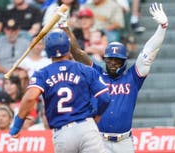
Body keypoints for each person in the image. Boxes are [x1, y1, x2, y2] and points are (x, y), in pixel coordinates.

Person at [64, 2, 168, 153]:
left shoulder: (133, 77)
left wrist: (162, 27)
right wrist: (65, 28)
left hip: (124, 142)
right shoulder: (97, 74)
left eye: (117, 60)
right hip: (98, 141)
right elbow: (78, 53)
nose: (113, 63)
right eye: (110, 59)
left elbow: (149, 52)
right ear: (105, 59)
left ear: (124, 61)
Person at [9, 29, 110, 153]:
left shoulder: (42, 74)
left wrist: (17, 125)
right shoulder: (84, 69)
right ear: (68, 48)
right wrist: (97, 115)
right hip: (86, 127)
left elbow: (30, 98)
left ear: (47, 51)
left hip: (63, 132)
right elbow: (105, 98)